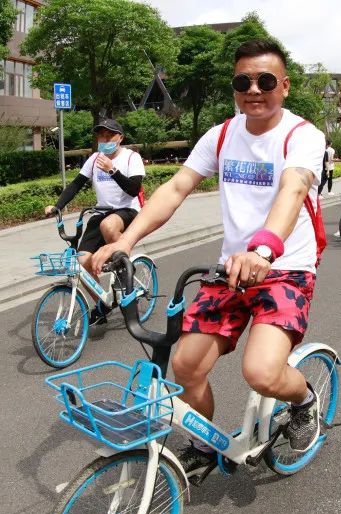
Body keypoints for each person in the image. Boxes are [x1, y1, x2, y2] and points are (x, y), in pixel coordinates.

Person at [90, 38, 326, 477]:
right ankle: (204, 442)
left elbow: (293, 190)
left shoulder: (303, 136)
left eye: (265, 80)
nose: (253, 89)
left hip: (284, 267)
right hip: (230, 270)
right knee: (185, 366)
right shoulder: (220, 135)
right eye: (243, 81)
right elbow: (177, 188)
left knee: (261, 372)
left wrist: (261, 250)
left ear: (285, 86)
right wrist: (126, 241)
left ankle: (305, 401)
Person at [45, 118, 144, 274]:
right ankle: (102, 299)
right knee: (83, 263)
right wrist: (58, 206)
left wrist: (112, 171)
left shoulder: (131, 157)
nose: (104, 140)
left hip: (127, 210)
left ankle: (125, 269)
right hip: (102, 212)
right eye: (101, 136)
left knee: (108, 226)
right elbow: (76, 184)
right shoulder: (94, 159)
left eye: (109, 136)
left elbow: (133, 189)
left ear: (120, 137)